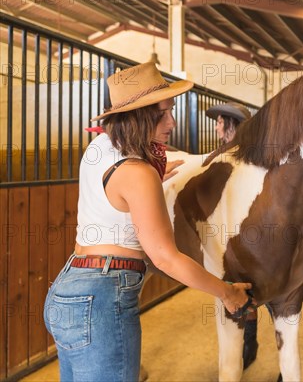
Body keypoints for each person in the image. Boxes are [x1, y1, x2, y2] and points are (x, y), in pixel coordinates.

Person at [43, 62, 255, 382]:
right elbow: (166, 258)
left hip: (69, 289)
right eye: (161, 114)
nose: (172, 121)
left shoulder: (99, 148)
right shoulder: (138, 173)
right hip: (103, 297)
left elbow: (115, 195)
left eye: (171, 110)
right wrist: (227, 293)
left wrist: (153, 175)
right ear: (137, 116)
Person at [206, 100, 258, 369]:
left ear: (230, 124)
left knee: (241, 289)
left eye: (219, 122)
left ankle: (247, 343)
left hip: (238, 238)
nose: (216, 126)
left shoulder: (234, 159)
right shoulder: (230, 155)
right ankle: (250, 341)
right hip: (234, 237)